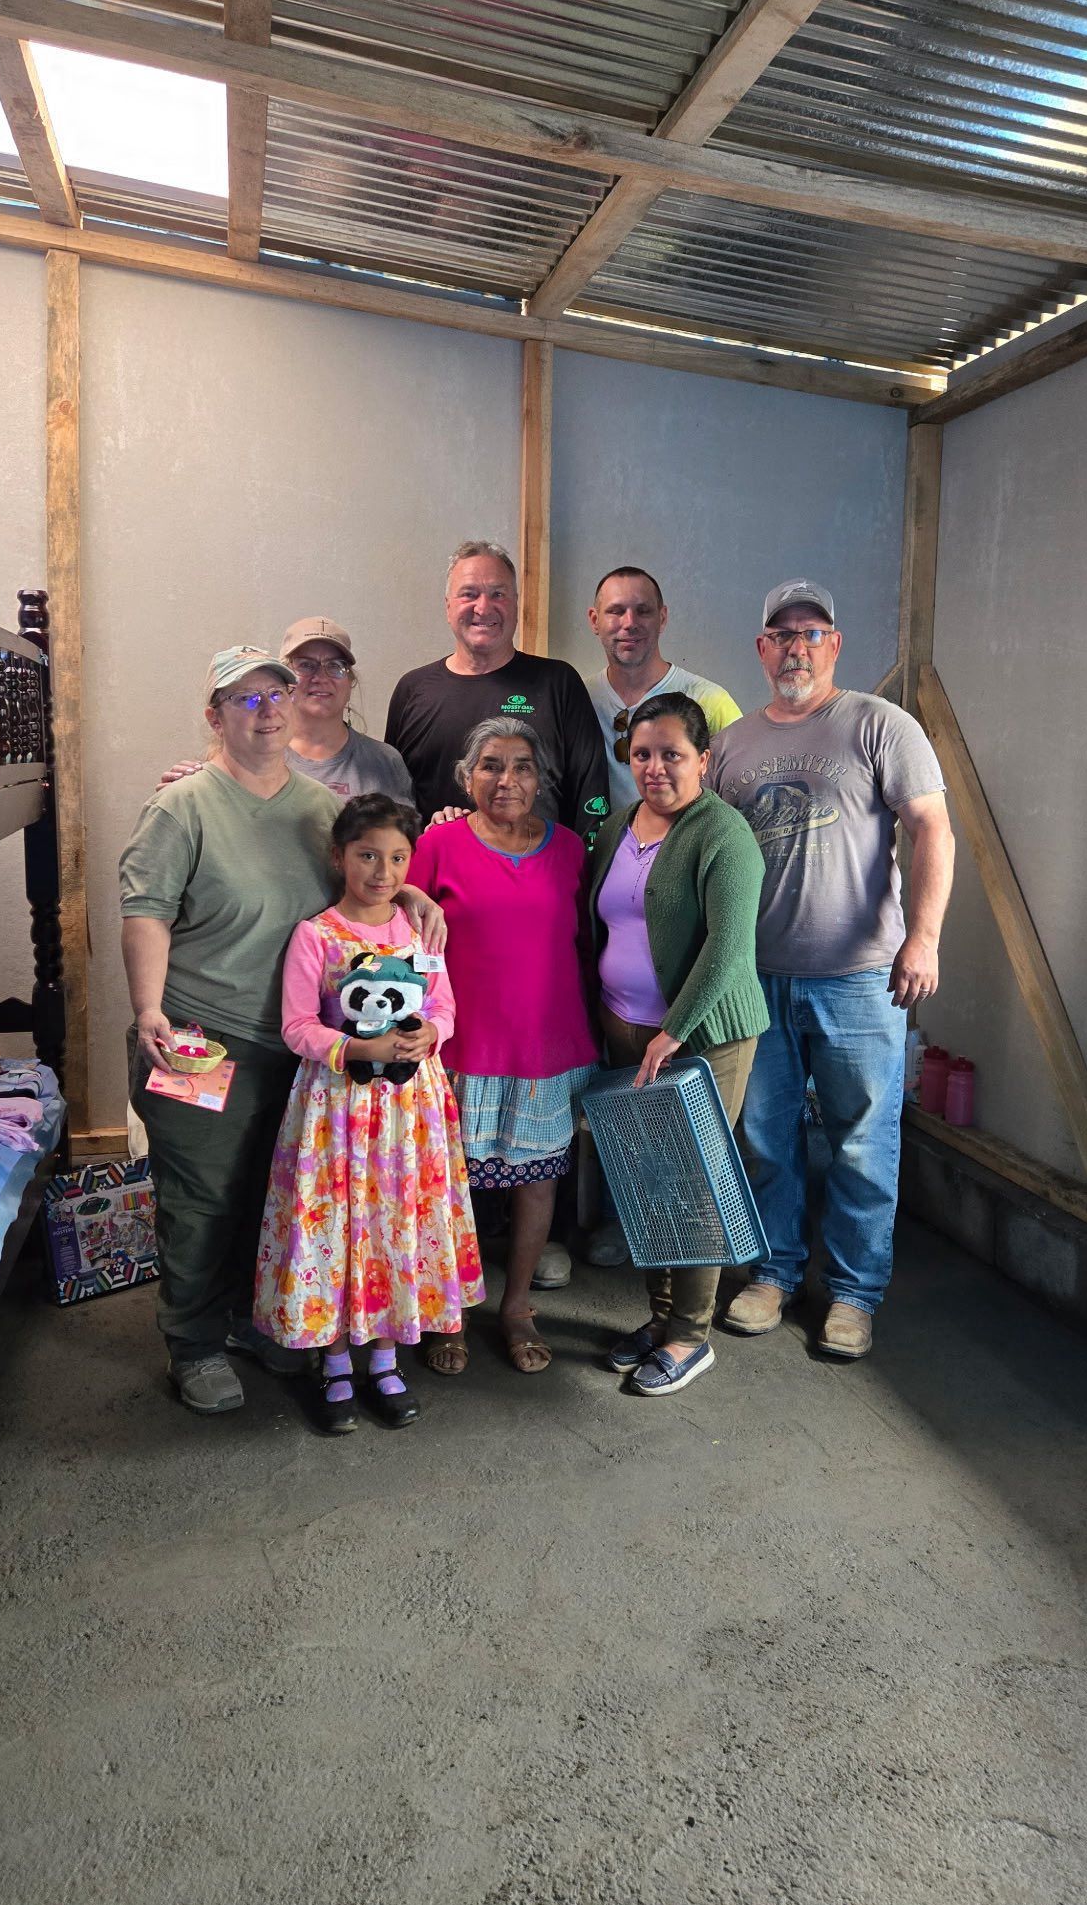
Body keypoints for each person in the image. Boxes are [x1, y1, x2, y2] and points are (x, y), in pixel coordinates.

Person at [119, 644, 439, 1417]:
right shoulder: (183, 807)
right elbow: (146, 912)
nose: (266, 711)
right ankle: (193, 1344)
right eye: (246, 699)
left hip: (301, 1048)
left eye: (276, 696)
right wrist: (148, 1009)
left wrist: (412, 895)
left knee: (278, 1195)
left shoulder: (318, 806)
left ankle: (248, 1319)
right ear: (215, 716)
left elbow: (362, 871)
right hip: (200, 1040)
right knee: (202, 1201)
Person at [707, 580, 955, 1360]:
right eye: (782, 634)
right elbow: (708, 851)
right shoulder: (733, 745)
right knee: (764, 1134)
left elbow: (933, 829)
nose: (797, 647)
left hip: (859, 977)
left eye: (811, 633)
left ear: (835, 644)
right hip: (755, 977)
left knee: (861, 1139)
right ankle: (772, 1273)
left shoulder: (880, 725)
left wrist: (924, 939)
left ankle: (853, 1292)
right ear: (762, 648)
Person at [253, 794, 482, 1434]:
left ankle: (385, 1357)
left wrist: (430, 1034)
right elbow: (297, 1026)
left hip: (410, 1111)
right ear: (340, 857)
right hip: (336, 1109)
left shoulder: (419, 932)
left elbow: (444, 1006)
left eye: (398, 858)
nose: (383, 872)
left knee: (393, 1220)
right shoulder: (317, 935)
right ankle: (333, 1363)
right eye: (368, 856)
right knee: (335, 1223)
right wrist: (357, 1049)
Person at [406, 718, 598, 1375]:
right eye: (490, 765)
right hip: (458, 1047)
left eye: (522, 766)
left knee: (537, 1185)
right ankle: (449, 1312)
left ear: (542, 779)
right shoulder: (437, 844)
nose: (505, 779)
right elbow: (402, 935)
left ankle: (517, 1307)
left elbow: (586, 942)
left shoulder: (569, 848)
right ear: (467, 777)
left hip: (548, 1046)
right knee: (447, 1187)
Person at [588, 693, 767, 1396]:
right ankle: (661, 1317)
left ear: (704, 759)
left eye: (672, 754)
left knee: (694, 1186)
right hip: (624, 1028)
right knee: (647, 1181)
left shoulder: (723, 833)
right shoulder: (618, 826)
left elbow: (728, 948)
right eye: (641, 754)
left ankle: (692, 1335)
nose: (655, 767)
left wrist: (675, 1029)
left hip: (702, 1038)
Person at [385, 541, 609, 836]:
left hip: (541, 863)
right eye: (469, 594)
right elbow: (393, 806)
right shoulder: (413, 691)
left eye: (498, 594)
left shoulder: (558, 683)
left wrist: (587, 862)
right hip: (433, 866)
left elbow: (591, 797)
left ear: (516, 604)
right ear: (448, 606)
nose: (483, 607)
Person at [159, 615, 413, 800]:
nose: (320, 677)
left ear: (350, 682)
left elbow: (404, 848)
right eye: (306, 665)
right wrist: (184, 794)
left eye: (335, 666)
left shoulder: (385, 762)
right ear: (284, 682)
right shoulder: (248, 756)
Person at [585, 566, 742, 814]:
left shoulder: (710, 701)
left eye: (643, 611)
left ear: (662, 618)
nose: (630, 623)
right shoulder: (579, 698)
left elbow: (742, 794)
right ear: (595, 620)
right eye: (616, 611)